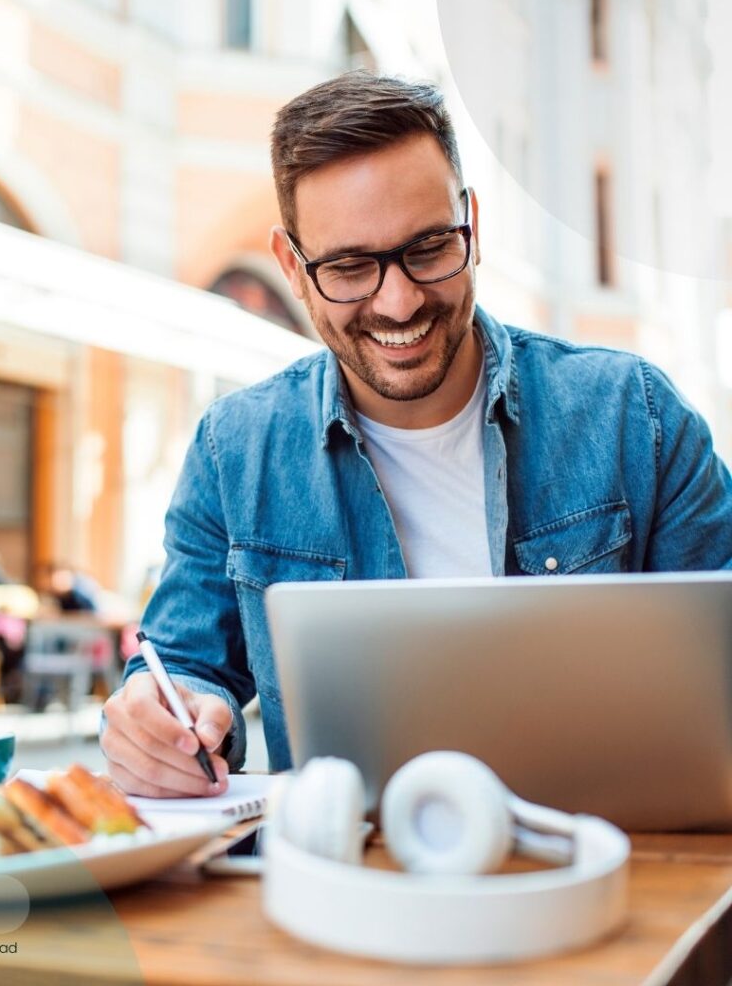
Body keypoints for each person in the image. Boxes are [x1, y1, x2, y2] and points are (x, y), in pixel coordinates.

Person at [100, 71, 732, 799]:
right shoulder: (233, 451)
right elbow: (183, 668)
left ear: (472, 226)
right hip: (352, 878)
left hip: (617, 864)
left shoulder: (634, 417)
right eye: (349, 267)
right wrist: (169, 722)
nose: (397, 302)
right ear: (292, 269)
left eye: (429, 247)